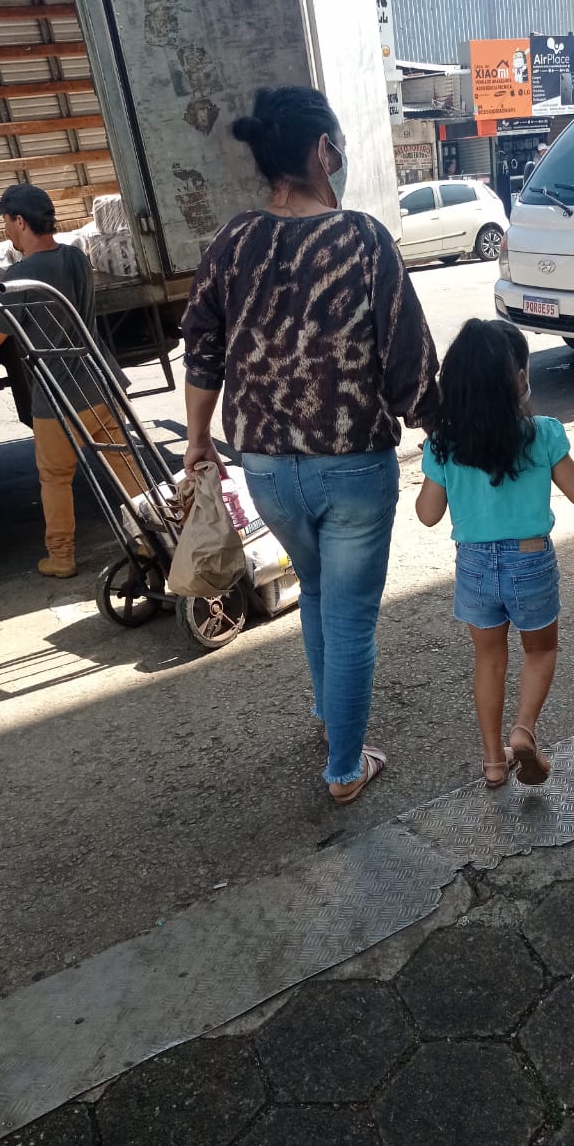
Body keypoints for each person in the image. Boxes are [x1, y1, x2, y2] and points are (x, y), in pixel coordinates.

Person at [182, 85, 439, 804]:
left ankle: (330, 722)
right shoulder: (360, 238)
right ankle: (345, 769)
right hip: (352, 465)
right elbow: (409, 361)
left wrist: (198, 439)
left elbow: (201, 350)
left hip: (265, 466)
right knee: (351, 616)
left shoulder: (232, 241)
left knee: (318, 593)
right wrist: (445, 433)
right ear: (323, 150)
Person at [416, 318, 574, 788]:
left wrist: (437, 470)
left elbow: (428, 515)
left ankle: (495, 760)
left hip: (473, 566)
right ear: (517, 378)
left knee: (489, 660)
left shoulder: (444, 443)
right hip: (530, 561)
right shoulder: (543, 433)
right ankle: (524, 729)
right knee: (540, 649)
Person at [0, 184, 140, 577]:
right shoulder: (75, 257)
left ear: (20, 221)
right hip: (101, 382)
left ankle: (61, 556)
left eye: (5, 219)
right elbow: (43, 273)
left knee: (55, 478)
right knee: (125, 464)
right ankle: (160, 534)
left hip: (57, 398)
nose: (4, 227)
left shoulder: (19, 276)